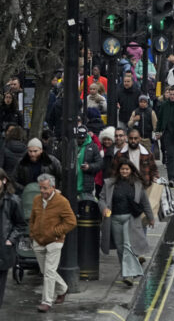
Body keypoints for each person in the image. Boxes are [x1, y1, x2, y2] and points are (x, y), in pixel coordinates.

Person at [98, 160, 154, 286]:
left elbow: (145, 202)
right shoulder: (110, 184)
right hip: (114, 219)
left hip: (130, 218)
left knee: (128, 245)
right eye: (122, 169)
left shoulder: (137, 184)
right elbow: (101, 198)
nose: (124, 171)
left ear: (131, 170)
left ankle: (129, 275)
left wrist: (151, 218)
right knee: (119, 247)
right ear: (118, 170)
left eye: (127, 169)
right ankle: (126, 272)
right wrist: (104, 208)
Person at [29, 173, 77, 312]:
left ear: (53, 187)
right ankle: (63, 288)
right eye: (41, 188)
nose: (43, 191)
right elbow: (32, 218)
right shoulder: (37, 199)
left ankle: (46, 302)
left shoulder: (62, 201)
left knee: (49, 272)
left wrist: (56, 232)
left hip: (54, 241)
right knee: (46, 271)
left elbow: (71, 222)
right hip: (38, 239)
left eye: (45, 188)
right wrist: (32, 233)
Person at [0, 169, 27, 309]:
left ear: (4, 181)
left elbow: (21, 224)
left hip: (3, 246)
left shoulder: (12, 201)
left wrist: (10, 240)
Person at [75, 125, 102, 196]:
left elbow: (99, 164)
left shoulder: (93, 147)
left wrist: (89, 167)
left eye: (83, 138)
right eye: (79, 138)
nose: (81, 140)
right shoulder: (70, 145)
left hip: (86, 187)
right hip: (71, 185)